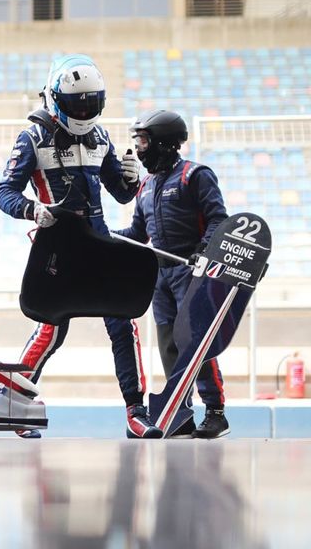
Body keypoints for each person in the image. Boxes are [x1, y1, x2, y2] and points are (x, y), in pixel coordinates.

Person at [0, 54, 160, 438]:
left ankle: (136, 412)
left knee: (123, 324)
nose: (85, 109)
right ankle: (15, 406)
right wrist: (31, 210)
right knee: (51, 329)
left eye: (91, 101)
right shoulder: (32, 138)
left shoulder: (102, 137)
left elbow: (120, 195)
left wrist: (132, 180)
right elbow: (4, 192)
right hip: (58, 246)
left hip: (99, 242)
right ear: (56, 98)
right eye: (77, 102)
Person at [114, 109, 230, 438]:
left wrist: (202, 253)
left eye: (144, 140)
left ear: (164, 143)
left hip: (190, 272)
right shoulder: (147, 186)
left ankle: (216, 412)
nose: (138, 147)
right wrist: (100, 234)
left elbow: (219, 219)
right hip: (159, 276)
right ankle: (181, 412)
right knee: (169, 346)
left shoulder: (195, 175)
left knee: (197, 343)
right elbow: (137, 233)